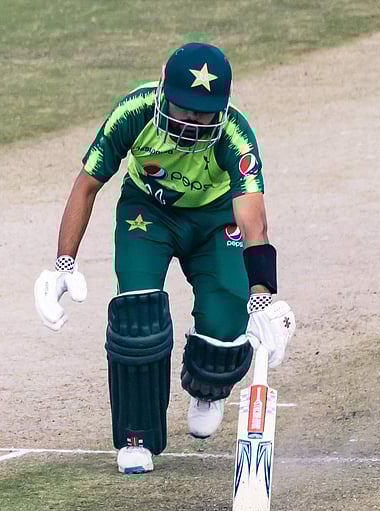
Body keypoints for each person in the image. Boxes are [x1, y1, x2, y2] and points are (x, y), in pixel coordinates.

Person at [34, 42, 295, 474]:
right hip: (148, 213)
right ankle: (136, 437)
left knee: (228, 315)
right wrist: (64, 264)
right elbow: (86, 185)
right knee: (138, 313)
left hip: (215, 222)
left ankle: (208, 387)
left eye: (203, 112)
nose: (192, 121)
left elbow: (254, 223)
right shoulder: (134, 112)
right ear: (163, 95)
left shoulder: (235, 136)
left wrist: (262, 298)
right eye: (184, 108)